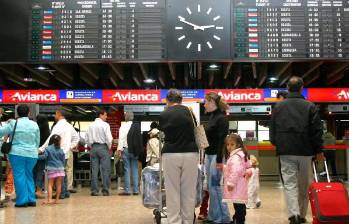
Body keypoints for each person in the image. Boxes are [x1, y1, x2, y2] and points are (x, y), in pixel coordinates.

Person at [270, 76, 324, 224]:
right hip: (305, 151)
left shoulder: (278, 107)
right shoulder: (310, 106)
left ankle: (293, 214)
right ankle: (301, 214)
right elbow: (317, 131)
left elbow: (272, 129)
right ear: (302, 88)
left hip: (285, 151)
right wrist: (319, 150)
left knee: (289, 184)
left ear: (288, 88)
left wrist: (277, 143)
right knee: (304, 184)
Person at [159, 89, 199, 224]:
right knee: (189, 191)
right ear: (181, 100)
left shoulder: (164, 114)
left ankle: (174, 221)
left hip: (170, 153)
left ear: (167, 100)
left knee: (172, 190)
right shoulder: (190, 112)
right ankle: (187, 221)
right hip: (191, 153)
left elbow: (163, 130)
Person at [0, 104, 40, 207]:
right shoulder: (34, 124)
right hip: (32, 154)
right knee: (29, 175)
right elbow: (37, 141)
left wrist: (5, 123)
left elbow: (1, 132)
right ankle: (31, 199)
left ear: (17, 113)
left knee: (19, 176)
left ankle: (22, 201)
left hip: (17, 153)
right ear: (29, 113)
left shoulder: (13, 123)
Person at [200, 92, 231, 223]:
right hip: (209, 155)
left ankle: (221, 217)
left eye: (205, 102)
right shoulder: (212, 117)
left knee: (215, 186)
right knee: (212, 187)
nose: (204, 105)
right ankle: (216, 217)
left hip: (216, 156)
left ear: (212, 102)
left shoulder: (221, 119)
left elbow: (221, 141)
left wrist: (219, 160)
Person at [39, 109, 79, 199]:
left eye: (55, 114)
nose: (54, 116)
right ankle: (65, 192)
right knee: (62, 173)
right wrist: (69, 146)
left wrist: (41, 149)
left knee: (58, 175)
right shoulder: (69, 126)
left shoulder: (58, 126)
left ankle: (61, 193)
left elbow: (51, 138)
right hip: (65, 153)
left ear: (59, 114)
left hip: (57, 152)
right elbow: (76, 137)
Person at [223, 134, 251, 224]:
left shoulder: (235, 157)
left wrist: (230, 183)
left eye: (232, 144)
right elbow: (248, 166)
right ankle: (237, 219)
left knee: (239, 206)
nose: (229, 147)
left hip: (236, 186)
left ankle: (239, 221)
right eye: (228, 145)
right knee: (240, 205)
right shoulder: (242, 154)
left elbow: (235, 171)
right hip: (241, 185)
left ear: (238, 145)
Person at [85, 109, 113, 196]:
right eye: (105, 115)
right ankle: (105, 190)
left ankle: (94, 190)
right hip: (103, 148)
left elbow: (86, 139)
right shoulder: (105, 125)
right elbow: (109, 139)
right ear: (101, 115)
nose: (106, 117)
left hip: (93, 148)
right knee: (105, 169)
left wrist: (91, 146)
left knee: (94, 170)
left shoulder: (90, 125)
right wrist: (108, 147)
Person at [117, 111, 143, 195]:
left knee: (127, 170)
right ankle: (136, 190)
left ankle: (127, 190)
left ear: (126, 117)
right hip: (134, 150)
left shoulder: (123, 126)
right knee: (135, 169)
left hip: (126, 150)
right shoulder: (136, 126)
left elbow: (121, 139)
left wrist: (119, 150)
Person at [40, 135, 65, 205]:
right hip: (60, 169)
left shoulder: (48, 149)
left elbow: (44, 157)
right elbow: (63, 160)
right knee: (59, 185)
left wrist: (37, 156)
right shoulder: (61, 150)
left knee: (50, 184)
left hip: (51, 169)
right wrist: (62, 167)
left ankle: (49, 200)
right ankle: (57, 200)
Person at [34, 114, 50, 198]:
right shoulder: (48, 131)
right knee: (40, 172)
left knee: (33, 172)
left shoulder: (35, 129)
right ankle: (39, 190)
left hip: (33, 153)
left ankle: (32, 190)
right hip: (42, 154)